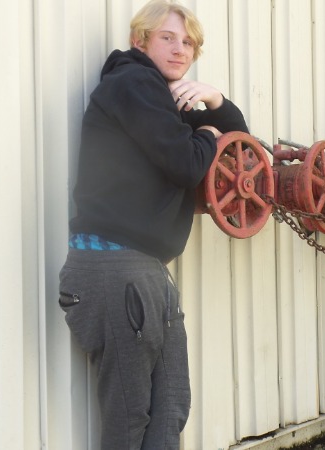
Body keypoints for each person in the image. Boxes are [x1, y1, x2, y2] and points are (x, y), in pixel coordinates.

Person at [57, 1, 248, 449]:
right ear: (140, 41)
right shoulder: (133, 83)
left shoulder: (162, 100)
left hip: (144, 268)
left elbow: (241, 145)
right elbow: (186, 164)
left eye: (188, 43)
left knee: (171, 406)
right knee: (131, 414)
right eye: (168, 37)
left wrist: (215, 102)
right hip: (113, 263)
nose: (180, 49)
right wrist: (205, 136)